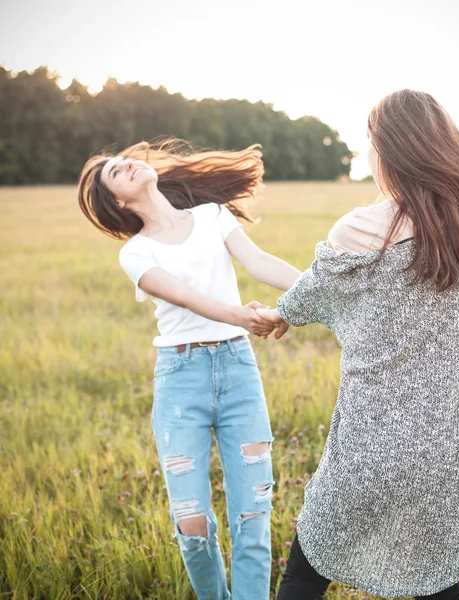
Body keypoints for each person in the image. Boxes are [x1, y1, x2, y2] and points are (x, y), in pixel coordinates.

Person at [257, 89, 459, 600]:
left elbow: (312, 292)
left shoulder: (361, 228)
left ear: (389, 151)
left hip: (369, 449)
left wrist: (278, 315)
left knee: (306, 570)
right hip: (451, 450)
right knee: (438, 583)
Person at [77, 139, 299, 600]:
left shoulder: (213, 216)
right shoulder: (135, 253)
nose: (130, 164)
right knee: (191, 521)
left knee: (253, 517)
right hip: (181, 381)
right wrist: (243, 315)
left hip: (238, 370)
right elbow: (184, 296)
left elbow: (258, 262)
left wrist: (315, 291)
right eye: (117, 172)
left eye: (127, 160)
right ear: (119, 201)